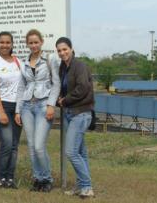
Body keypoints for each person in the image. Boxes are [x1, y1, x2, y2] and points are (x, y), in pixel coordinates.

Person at [14, 29, 60, 192]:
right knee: (32, 146)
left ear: (41, 42)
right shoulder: (24, 61)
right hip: (27, 106)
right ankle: (38, 179)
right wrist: (18, 110)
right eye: (30, 42)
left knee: (40, 146)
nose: (33, 45)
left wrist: (51, 105)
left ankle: (47, 178)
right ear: (27, 44)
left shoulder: (50, 59)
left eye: (36, 42)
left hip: (42, 105)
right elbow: (21, 86)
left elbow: (56, 83)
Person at [56, 37, 95, 198]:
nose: (62, 53)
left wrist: (65, 100)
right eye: (59, 50)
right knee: (80, 152)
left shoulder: (80, 66)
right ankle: (81, 186)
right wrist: (61, 98)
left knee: (71, 152)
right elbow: (63, 87)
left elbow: (83, 88)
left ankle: (87, 186)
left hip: (81, 113)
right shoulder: (63, 67)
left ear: (71, 49)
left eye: (65, 49)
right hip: (69, 113)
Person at [0, 31, 23, 189]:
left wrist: (20, 110)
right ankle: (1, 177)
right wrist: (0, 111)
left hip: (17, 107)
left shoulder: (18, 62)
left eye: (8, 42)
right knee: (7, 143)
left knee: (14, 145)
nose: (5, 45)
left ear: (12, 44)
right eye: (2, 42)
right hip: (1, 105)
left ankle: (10, 177)